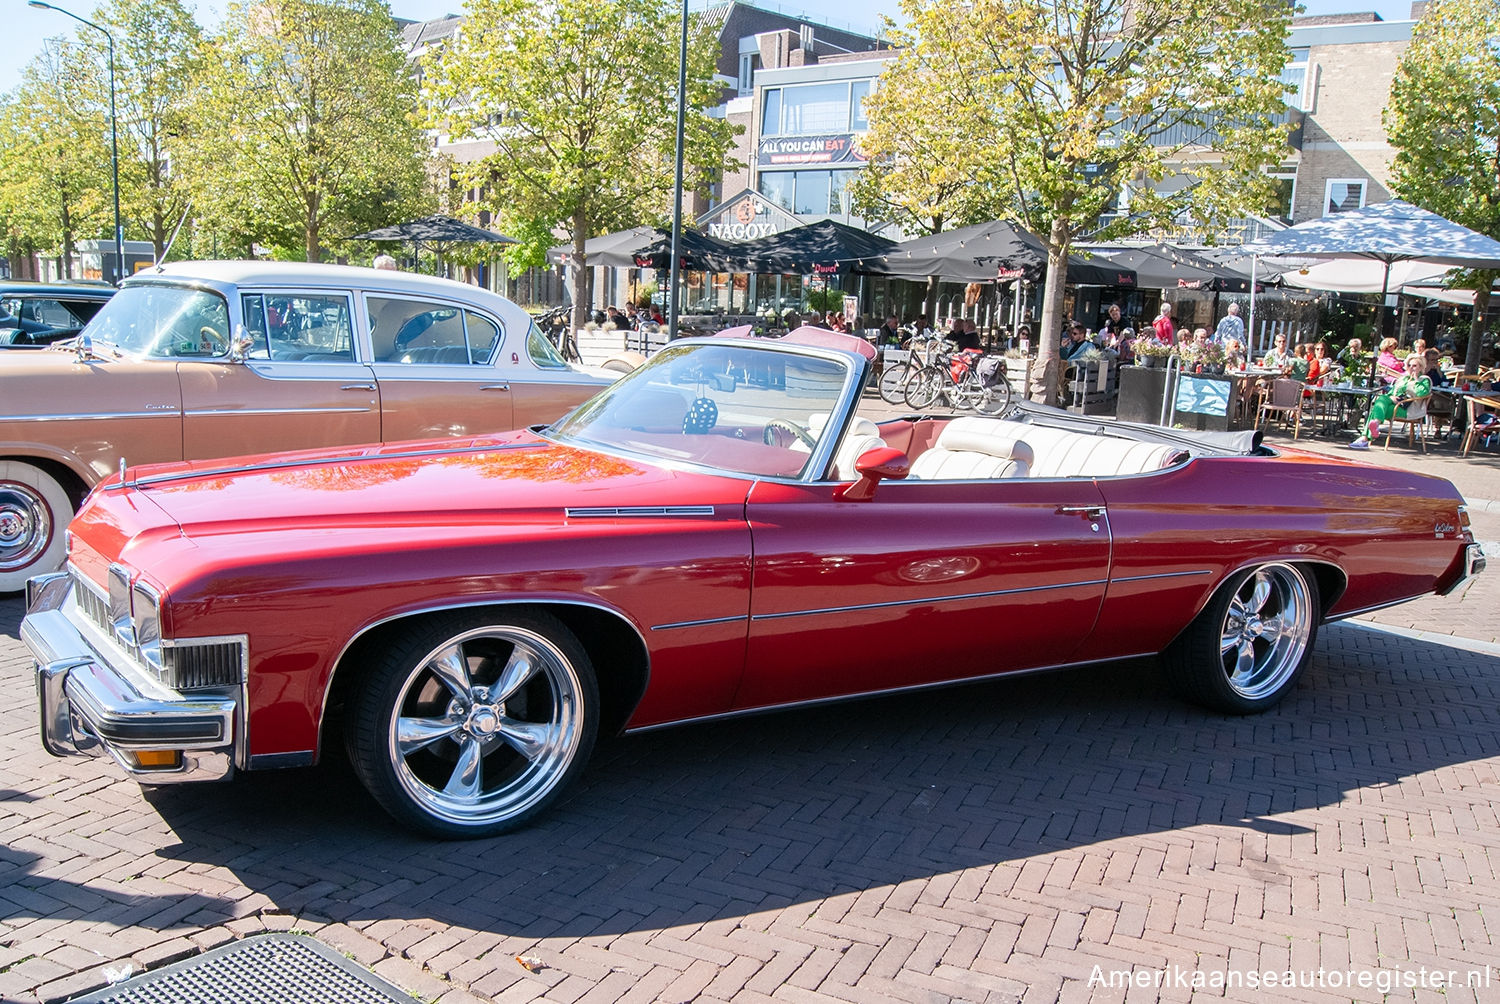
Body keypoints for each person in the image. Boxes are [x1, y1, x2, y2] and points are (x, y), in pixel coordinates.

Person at [1349, 352, 1431, 449]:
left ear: (1421, 367)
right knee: (1381, 400)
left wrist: (1415, 381)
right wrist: (1392, 398)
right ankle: (1369, 433)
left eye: (1414, 366)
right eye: (1409, 365)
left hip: (1409, 410)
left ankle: (1366, 436)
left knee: (1377, 409)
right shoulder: (1403, 379)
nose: (1411, 368)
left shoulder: (1424, 380)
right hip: (1395, 405)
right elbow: (1392, 392)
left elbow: (1422, 394)